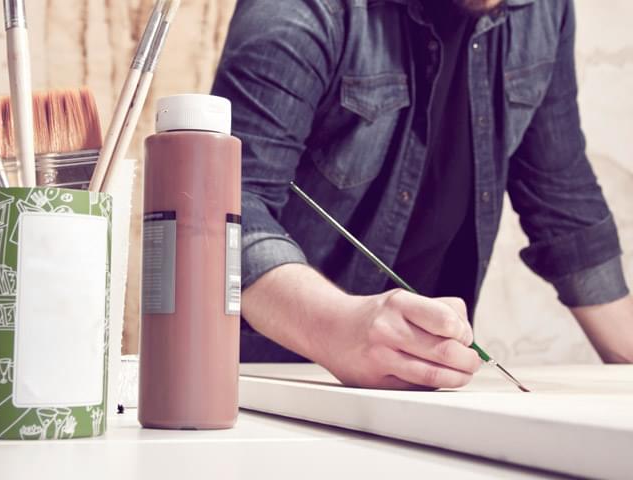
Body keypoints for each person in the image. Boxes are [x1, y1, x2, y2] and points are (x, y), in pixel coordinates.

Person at [210, 0, 633, 390]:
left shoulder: (544, 9)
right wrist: (340, 327)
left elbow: (563, 199)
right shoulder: (301, 8)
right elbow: (222, 211)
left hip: (427, 391)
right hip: (273, 386)